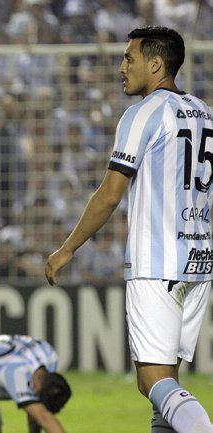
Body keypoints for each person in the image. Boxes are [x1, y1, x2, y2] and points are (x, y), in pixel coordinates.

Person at [46, 26, 213, 433]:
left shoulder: (143, 113)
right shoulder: (205, 112)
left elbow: (110, 193)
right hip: (198, 263)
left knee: (152, 381)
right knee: (167, 389)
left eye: (129, 58)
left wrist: (66, 249)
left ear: (156, 64)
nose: (121, 67)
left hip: (156, 264)